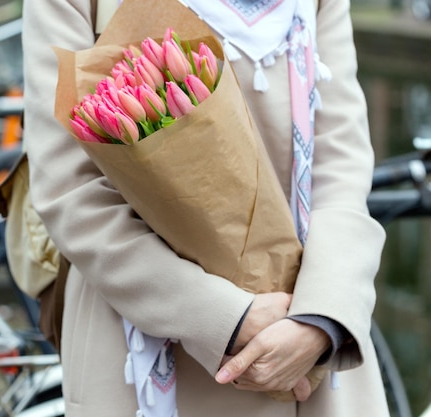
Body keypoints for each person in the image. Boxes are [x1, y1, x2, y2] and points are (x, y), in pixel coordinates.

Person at [21, 0, 390, 415]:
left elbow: (341, 165)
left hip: (308, 341)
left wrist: (319, 319)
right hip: (141, 343)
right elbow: (71, 190)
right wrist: (224, 319)